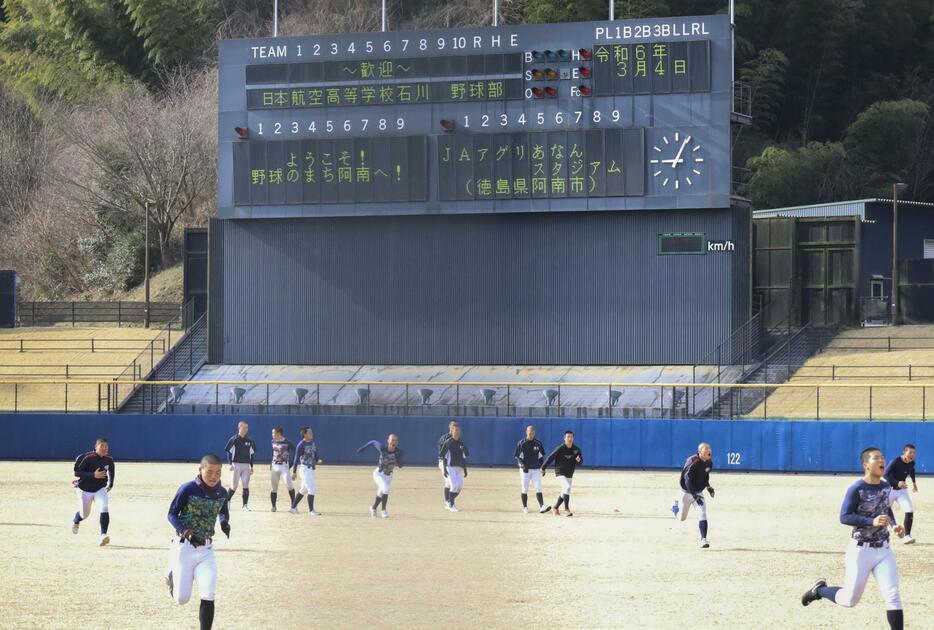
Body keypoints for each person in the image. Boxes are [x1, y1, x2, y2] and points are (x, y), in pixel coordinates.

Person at [801, 446, 905, 630]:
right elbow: (844, 516)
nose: (882, 461)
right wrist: (870, 521)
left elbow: (885, 508)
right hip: (861, 551)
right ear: (866, 465)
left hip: (884, 551)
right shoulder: (856, 489)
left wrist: (894, 525)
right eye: (876, 458)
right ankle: (819, 591)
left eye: (883, 457)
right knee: (849, 600)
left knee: (893, 596)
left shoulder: (885, 486)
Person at [166, 453, 231, 630]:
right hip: (184, 548)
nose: (214, 476)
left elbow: (223, 510)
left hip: (206, 551)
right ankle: (172, 574)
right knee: (181, 599)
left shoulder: (222, 492)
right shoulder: (188, 489)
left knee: (208, 594)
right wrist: (186, 532)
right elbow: (171, 514)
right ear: (200, 470)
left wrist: (224, 522)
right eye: (209, 472)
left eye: (218, 472)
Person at [71, 437, 115, 546]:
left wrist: (111, 484)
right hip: (84, 490)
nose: (104, 449)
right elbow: (77, 473)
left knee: (104, 508)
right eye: (102, 446)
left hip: (100, 489)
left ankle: (103, 535)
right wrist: (93, 475)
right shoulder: (88, 457)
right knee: (84, 514)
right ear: (96, 447)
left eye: (106, 446)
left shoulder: (108, 459)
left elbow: (112, 470)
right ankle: (76, 521)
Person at [677, 442, 715, 548]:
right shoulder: (693, 461)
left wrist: (708, 487)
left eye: (710, 448)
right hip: (686, 493)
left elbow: (705, 476)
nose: (709, 450)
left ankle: (704, 539)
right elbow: (687, 479)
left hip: (698, 492)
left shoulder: (709, 463)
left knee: (702, 514)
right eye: (706, 448)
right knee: (682, 518)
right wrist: (694, 495)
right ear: (699, 452)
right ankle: (675, 509)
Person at [357, 434, 404, 518]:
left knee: (381, 492)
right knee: (386, 489)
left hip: (389, 475)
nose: (394, 441)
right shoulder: (382, 448)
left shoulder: (399, 452)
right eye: (392, 439)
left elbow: (400, 465)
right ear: (388, 440)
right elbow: (373, 441)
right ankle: (383, 510)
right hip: (379, 473)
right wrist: (362, 448)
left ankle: (373, 508)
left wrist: (398, 458)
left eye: (396, 440)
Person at [541, 430, 583, 517]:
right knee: (566, 487)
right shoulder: (560, 448)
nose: (569, 438)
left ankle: (555, 507)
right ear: (564, 438)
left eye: (571, 437)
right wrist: (543, 467)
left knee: (565, 491)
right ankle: (567, 509)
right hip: (560, 471)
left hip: (570, 473)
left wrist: (579, 461)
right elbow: (551, 457)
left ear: (573, 438)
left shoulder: (576, 449)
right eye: (567, 437)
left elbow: (580, 462)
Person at [884, 444, 918, 544]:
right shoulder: (895, 461)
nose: (912, 455)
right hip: (889, 489)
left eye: (914, 453)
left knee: (909, 510)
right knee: (883, 510)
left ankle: (907, 536)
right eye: (910, 452)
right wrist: (897, 482)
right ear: (904, 452)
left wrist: (914, 483)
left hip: (901, 491)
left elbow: (911, 470)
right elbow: (885, 475)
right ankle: (891, 528)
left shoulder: (911, 463)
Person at [289, 427, 322, 516]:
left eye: (312, 432)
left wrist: (317, 459)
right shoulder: (301, 444)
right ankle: (311, 510)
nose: (312, 434)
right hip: (304, 469)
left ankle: (293, 507)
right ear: (305, 434)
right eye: (310, 432)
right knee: (312, 488)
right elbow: (296, 458)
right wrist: (294, 471)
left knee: (303, 489)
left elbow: (314, 453)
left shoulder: (312, 442)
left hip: (311, 469)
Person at [224, 421, 255, 511]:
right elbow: (228, 452)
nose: (246, 429)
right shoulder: (234, 439)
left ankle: (245, 506)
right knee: (234, 486)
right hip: (236, 464)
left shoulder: (250, 440)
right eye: (244, 427)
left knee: (246, 485)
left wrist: (251, 466)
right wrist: (230, 464)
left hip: (246, 465)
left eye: (247, 428)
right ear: (239, 428)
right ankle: (227, 502)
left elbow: (252, 454)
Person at [514, 425, 546, 513]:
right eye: (529, 432)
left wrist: (543, 468)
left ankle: (542, 506)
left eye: (532, 433)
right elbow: (517, 457)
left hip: (535, 469)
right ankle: (525, 507)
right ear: (526, 432)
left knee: (538, 487)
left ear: (534, 433)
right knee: (524, 489)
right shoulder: (521, 443)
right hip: (525, 470)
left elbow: (541, 457)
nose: (531, 434)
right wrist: (523, 465)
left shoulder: (538, 443)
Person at [439, 421, 469, 512]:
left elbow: (466, 455)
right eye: (455, 430)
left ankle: (449, 501)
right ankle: (451, 504)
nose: (457, 432)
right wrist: (444, 469)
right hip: (450, 466)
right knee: (453, 485)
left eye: (459, 430)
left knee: (459, 487)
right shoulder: (448, 441)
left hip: (459, 467)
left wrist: (465, 469)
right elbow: (442, 456)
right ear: (451, 431)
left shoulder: (461, 442)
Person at [269, 426, 296, 512]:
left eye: (273, 433)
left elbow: (296, 452)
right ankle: (273, 506)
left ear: (279, 433)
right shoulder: (272, 441)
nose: (272, 434)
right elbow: (272, 453)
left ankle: (293, 505)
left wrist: (291, 464)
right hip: (274, 466)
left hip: (284, 466)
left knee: (289, 485)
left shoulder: (287, 442)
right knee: (274, 487)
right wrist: (271, 464)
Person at [438, 420, 456, 509]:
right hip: (443, 462)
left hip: (452, 463)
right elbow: (441, 454)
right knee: (449, 482)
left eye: (456, 426)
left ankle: (448, 501)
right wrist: (444, 467)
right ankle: (448, 502)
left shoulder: (457, 439)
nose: (454, 427)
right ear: (449, 427)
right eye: (453, 426)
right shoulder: (445, 438)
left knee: (449, 483)